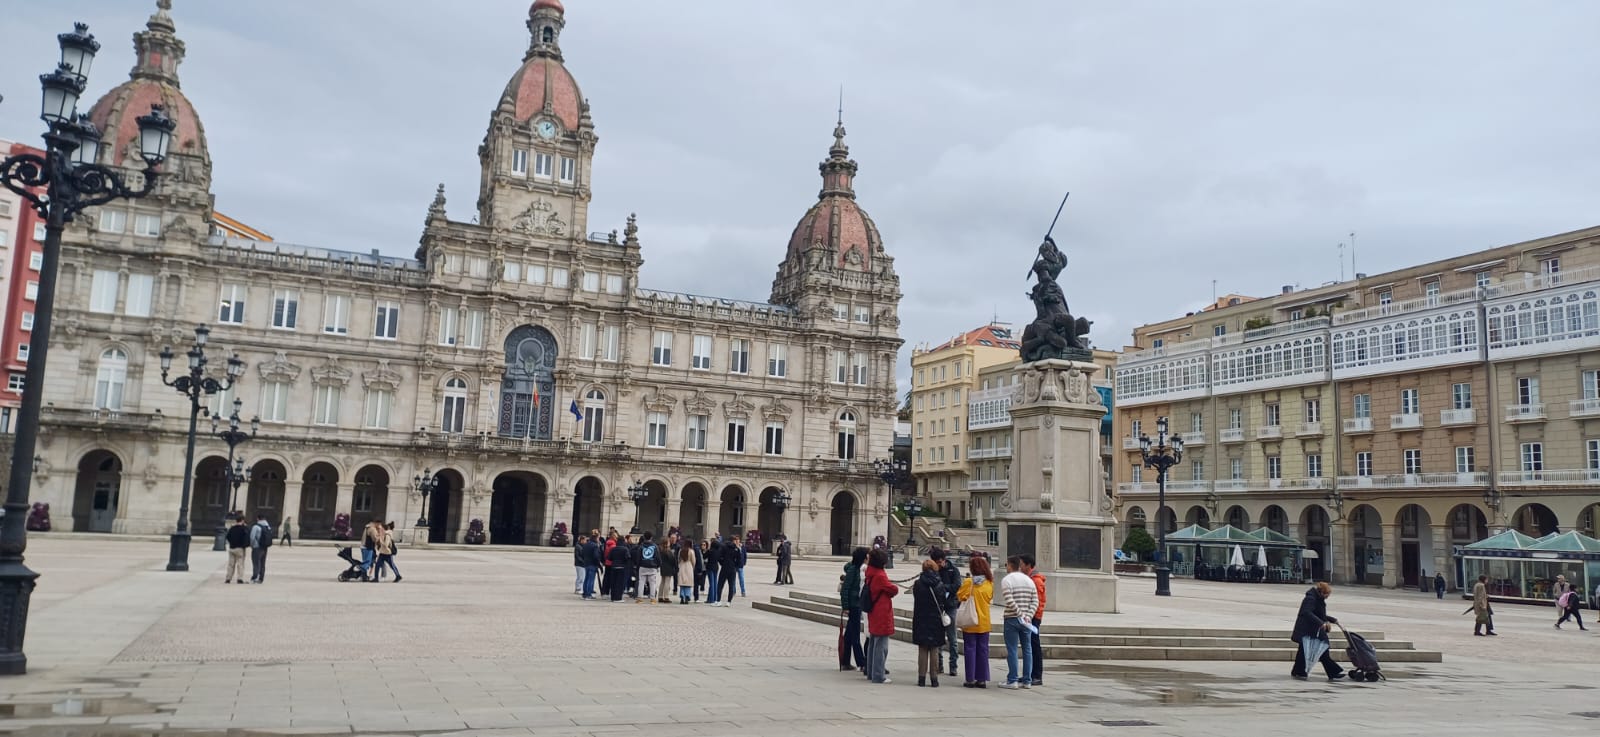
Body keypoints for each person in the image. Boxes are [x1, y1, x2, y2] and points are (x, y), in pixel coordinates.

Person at [1290, 582, 1346, 681]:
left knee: (1303, 651)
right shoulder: (1311, 599)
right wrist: (1321, 623)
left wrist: (1333, 620)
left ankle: (1298, 671)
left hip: (1311, 629)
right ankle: (1333, 672)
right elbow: (1307, 612)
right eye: (1327, 594)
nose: (1328, 597)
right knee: (1322, 649)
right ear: (1321, 592)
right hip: (1308, 629)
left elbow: (1319, 614)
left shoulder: (1318, 599)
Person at [998, 556, 1039, 689]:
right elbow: (1035, 601)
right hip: (1027, 620)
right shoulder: (1029, 580)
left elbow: (1009, 600)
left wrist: (1019, 613)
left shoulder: (1007, 580)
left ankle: (1013, 680)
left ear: (1010, 565)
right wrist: (1028, 615)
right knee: (1027, 649)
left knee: (1012, 649)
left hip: (1012, 618)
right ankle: (1027, 680)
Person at [957, 556, 994, 688]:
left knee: (970, 649)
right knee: (983, 650)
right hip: (984, 621)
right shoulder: (989, 583)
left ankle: (970, 678)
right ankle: (982, 678)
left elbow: (960, 596)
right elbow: (989, 598)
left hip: (970, 620)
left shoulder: (969, 582)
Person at [863, 548, 899, 684]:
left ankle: (872, 672)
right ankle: (878, 674)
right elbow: (893, 589)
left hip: (873, 610)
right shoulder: (880, 575)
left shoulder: (870, 572)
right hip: (881, 611)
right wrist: (893, 586)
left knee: (873, 642)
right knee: (881, 645)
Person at [911, 559, 948, 688]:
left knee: (922, 648)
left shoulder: (918, 584)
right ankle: (934, 678)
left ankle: (921, 678)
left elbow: (917, 598)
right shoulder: (940, 584)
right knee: (934, 648)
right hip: (936, 619)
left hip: (921, 617)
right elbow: (943, 600)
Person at [931, 548, 962, 677]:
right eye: (935, 562)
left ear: (943, 560)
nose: (937, 565)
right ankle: (939, 665)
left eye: (939, 562)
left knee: (952, 638)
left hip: (950, 606)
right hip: (938, 606)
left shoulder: (953, 570)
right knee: (938, 637)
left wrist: (943, 587)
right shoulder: (933, 570)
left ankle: (953, 666)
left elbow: (957, 585)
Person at [839, 547, 869, 672]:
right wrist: (845, 606)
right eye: (867, 556)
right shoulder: (853, 570)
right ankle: (861, 662)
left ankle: (845, 661)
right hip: (853, 605)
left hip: (856, 604)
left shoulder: (857, 569)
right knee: (855, 635)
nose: (868, 558)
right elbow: (845, 589)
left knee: (849, 635)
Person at [1021, 554, 1046, 686]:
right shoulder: (1030, 579)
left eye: (1021, 564)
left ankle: (1037, 675)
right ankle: (1030, 674)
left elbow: (1039, 601)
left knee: (1034, 645)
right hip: (1031, 616)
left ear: (1028, 565)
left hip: (1034, 617)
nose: (1020, 567)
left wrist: (1033, 616)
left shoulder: (1036, 581)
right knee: (1030, 645)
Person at [224, 515, 250, 584]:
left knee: (230, 564)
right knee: (240, 564)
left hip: (232, 548)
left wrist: (232, 543)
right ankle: (239, 578)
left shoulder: (232, 528)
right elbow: (247, 538)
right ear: (242, 520)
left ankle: (228, 578)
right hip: (240, 548)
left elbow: (228, 536)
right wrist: (245, 545)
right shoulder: (243, 528)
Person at [606, 534, 632, 602]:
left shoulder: (613, 549)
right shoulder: (625, 549)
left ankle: (613, 597)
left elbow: (609, 558)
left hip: (614, 566)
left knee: (613, 583)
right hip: (622, 567)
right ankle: (618, 598)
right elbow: (628, 557)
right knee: (619, 583)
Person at [248, 513, 273, 583]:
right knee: (262, 563)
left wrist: (253, 546)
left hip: (257, 547)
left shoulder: (256, 527)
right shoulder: (268, 526)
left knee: (256, 562)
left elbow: (252, 537)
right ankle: (261, 578)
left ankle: (255, 577)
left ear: (258, 519)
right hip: (265, 547)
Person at [717, 535, 742, 606]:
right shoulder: (736, 549)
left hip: (725, 567)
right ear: (733, 541)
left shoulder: (724, 547)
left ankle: (718, 600)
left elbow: (719, 556)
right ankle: (729, 601)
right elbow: (739, 560)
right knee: (731, 585)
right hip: (732, 568)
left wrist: (722, 563)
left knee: (720, 584)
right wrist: (735, 566)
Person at [659, 534, 679, 604]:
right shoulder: (669, 551)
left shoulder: (661, 550)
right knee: (667, 582)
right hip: (669, 568)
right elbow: (673, 560)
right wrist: (676, 567)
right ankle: (666, 596)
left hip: (663, 567)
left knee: (662, 582)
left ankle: (660, 596)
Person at [580, 534, 601, 600]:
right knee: (591, 579)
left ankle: (585, 593)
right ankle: (588, 594)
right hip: (592, 564)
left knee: (586, 579)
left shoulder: (586, 544)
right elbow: (596, 556)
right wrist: (598, 563)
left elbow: (582, 554)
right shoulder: (595, 546)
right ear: (595, 538)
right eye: (598, 538)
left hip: (586, 563)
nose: (598, 540)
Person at [704, 537, 722, 605]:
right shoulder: (718, 552)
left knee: (711, 584)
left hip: (710, 567)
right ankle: (714, 598)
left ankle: (711, 599)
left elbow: (704, 556)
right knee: (715, 583)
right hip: (716, 567)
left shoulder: (710, 551)